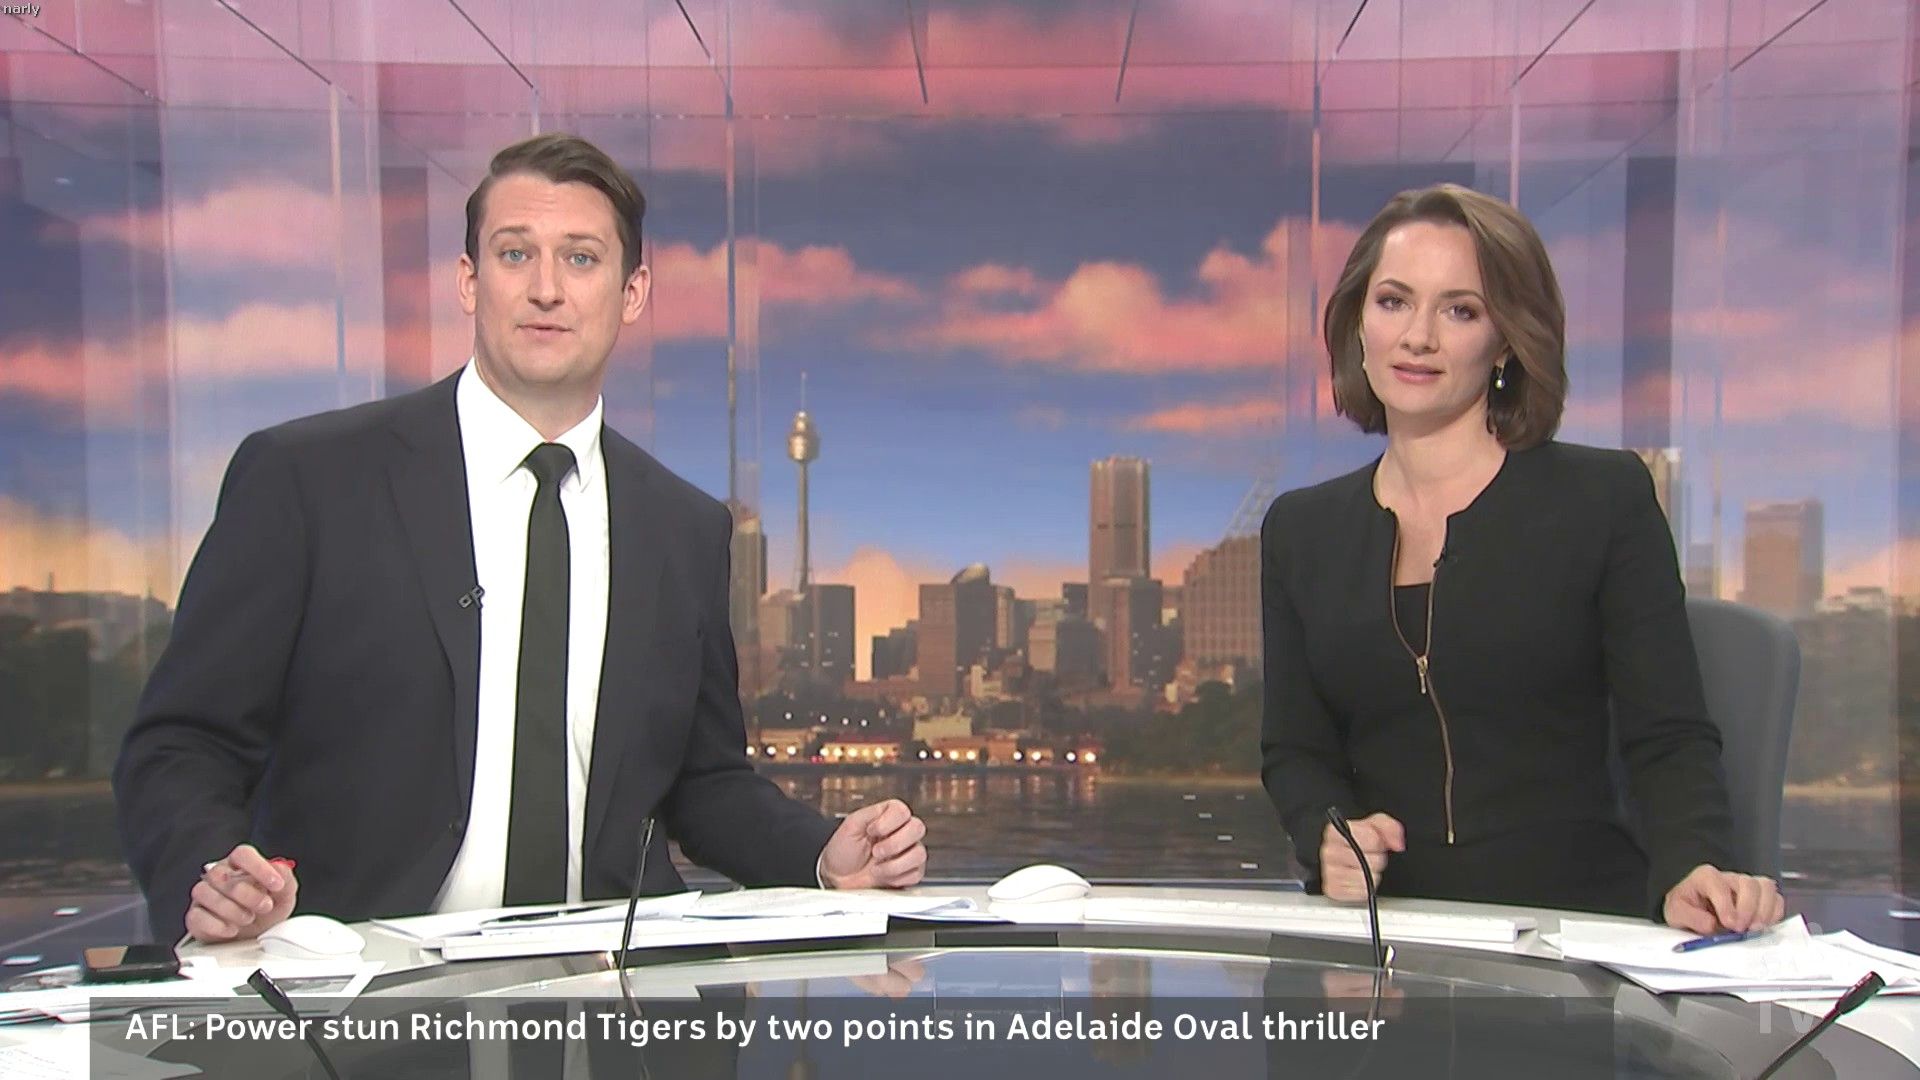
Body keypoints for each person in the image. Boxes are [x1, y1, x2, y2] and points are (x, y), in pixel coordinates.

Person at [115, 133, 928, 943]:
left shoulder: (683, 528)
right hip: (362, 987)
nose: (546, 289)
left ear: (632, 292)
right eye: (514, 255)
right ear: (469, 281)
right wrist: (210, 876)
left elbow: (703, 782)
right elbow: (183, 743)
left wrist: (820, 853)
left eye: (581, 259)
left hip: (613, 988)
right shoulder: (309, 479)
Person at [1261, 183, 1784, 932]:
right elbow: (1295, 749)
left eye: (1460, 311)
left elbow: (1667, 736)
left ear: (1506, 339)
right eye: (1394, 302)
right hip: (1383, 931)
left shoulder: (1602, 499)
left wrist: (1692, 864)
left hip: (1572, 929)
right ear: (1357, 324)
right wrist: (1327, 834)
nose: (1418, 337)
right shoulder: (1300, 530)